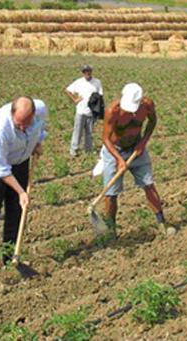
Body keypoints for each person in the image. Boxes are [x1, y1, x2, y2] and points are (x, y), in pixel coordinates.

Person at [0, 97, 47, 279]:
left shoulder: (41, 110)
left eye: (26, 124)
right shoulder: (0, 127)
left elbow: (41, 129)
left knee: (16, 211)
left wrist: (37, 143)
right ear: (12, 114)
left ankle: (10, 257)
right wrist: (21, 191)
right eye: (19, 124)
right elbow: (1, 168)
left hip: (20, 161)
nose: (22, 128)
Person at [101, 83, 169, 237]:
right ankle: (111, 231)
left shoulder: (147, 105)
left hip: (137, 148)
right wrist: (119, 159)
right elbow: (106, 138)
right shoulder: (113, 111)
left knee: (148, 184)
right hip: (115, 150)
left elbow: (152, 122)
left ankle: (162, 223)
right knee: (111, 193)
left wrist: (143, 143)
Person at [66, 65, 104, 157]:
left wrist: (99, 110)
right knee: (77, 131)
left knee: (89, 132)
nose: (87, 73)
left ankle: (88, 149)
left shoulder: (97, 82)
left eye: (88, 71)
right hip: (80, 111)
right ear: (83, 73)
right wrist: (75, 99)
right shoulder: (78, 82)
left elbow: (100, 96)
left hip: (91, 112)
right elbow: (68, 90)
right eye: (85, 71)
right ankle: (74, 149)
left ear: (91, 72)